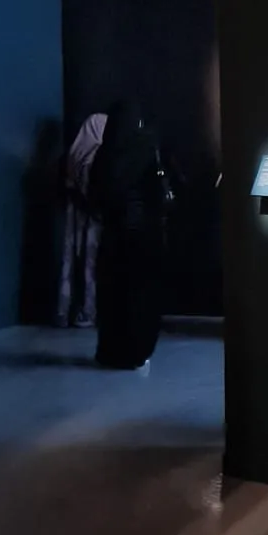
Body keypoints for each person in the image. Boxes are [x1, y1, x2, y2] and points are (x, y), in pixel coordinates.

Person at [90, 100, 166, 370]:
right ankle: (136, 350)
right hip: (143, 235)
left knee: (113, 298)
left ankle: (111, 351)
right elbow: (156, 192)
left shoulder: (105, 154)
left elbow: (95, 195)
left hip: (113, 236)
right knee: (140, 298)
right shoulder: (145, 146)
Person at [56, 113, 107, 329]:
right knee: (90, 265)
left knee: (71, 263)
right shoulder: (97, 156)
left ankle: (65, 310)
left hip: (73, 220)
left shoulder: (74, 155)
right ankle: (88, 311)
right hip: (93, 220)